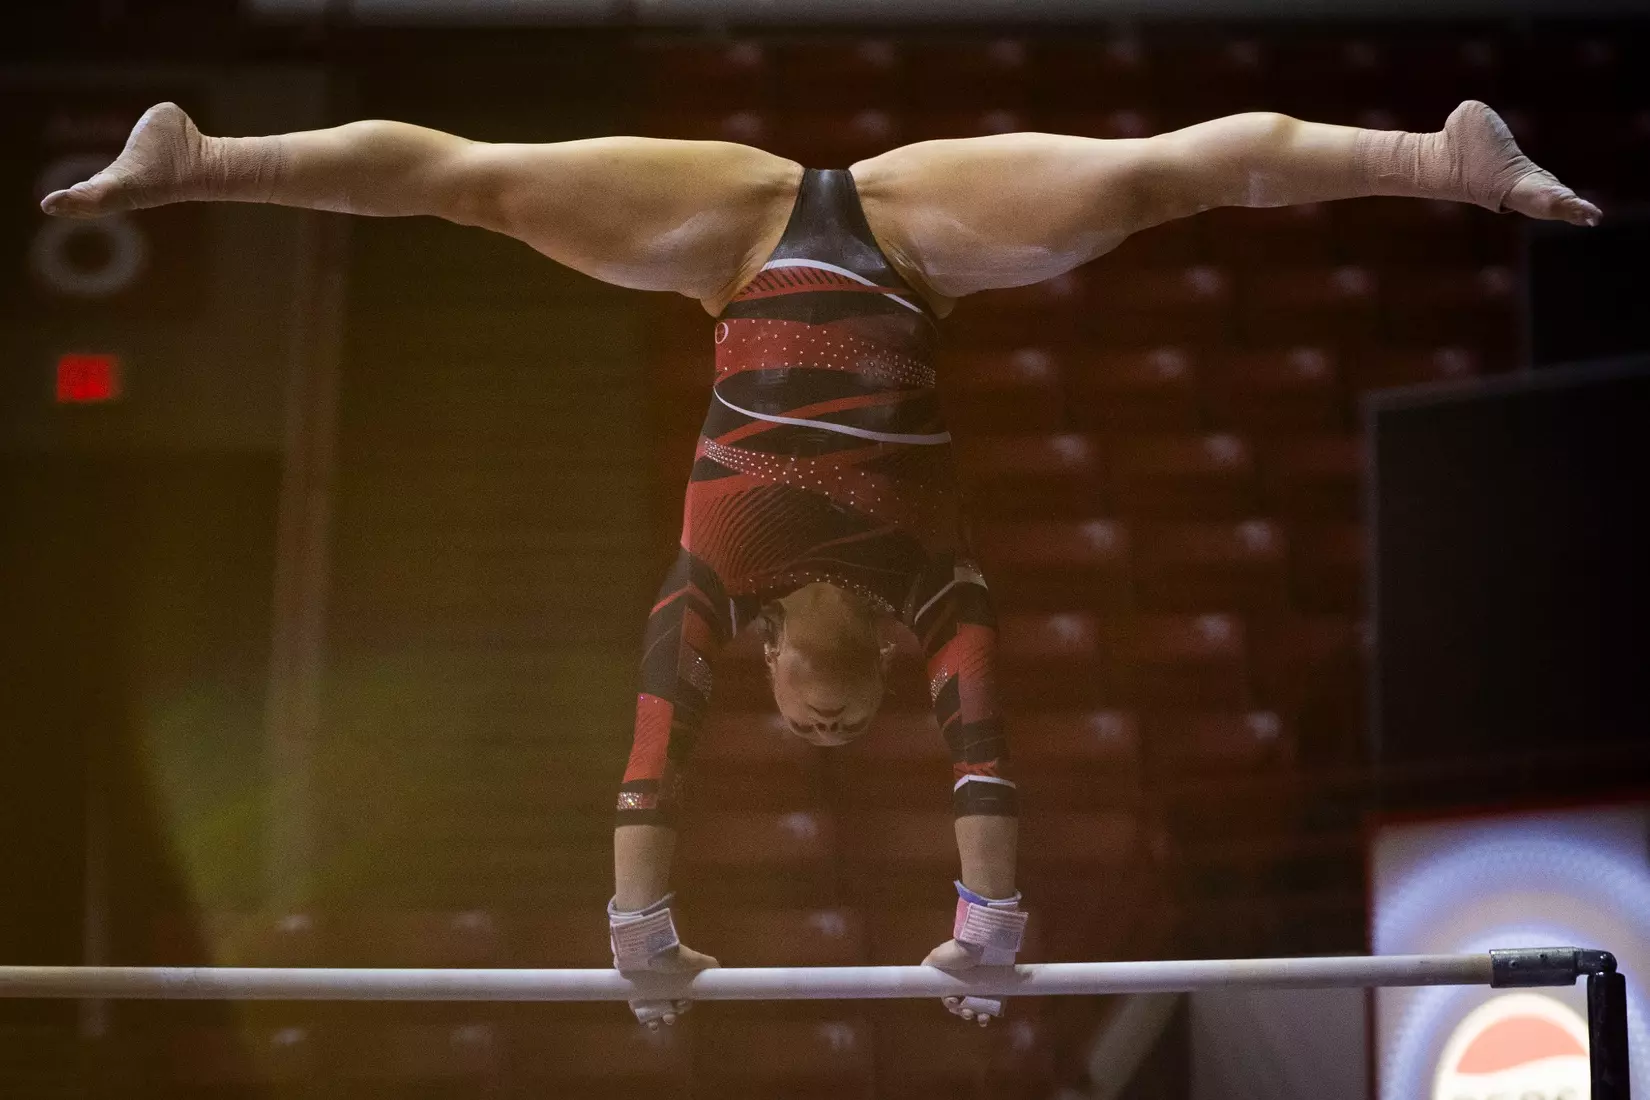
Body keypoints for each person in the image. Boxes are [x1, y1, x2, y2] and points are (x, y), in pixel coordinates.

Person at [44, 96, 1600, 1030]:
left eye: (802, 723)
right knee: (1144, 182)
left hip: (727, 244)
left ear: (769, 665)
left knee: (480, 181)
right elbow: (985, 775)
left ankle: (198, 159)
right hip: (920, 247)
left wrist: (638, 944)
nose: (823, 729)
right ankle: (1440, 161)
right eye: (836, 730)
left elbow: (650, 774)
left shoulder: (704, 593)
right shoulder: (941, 596)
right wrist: (988, 940)